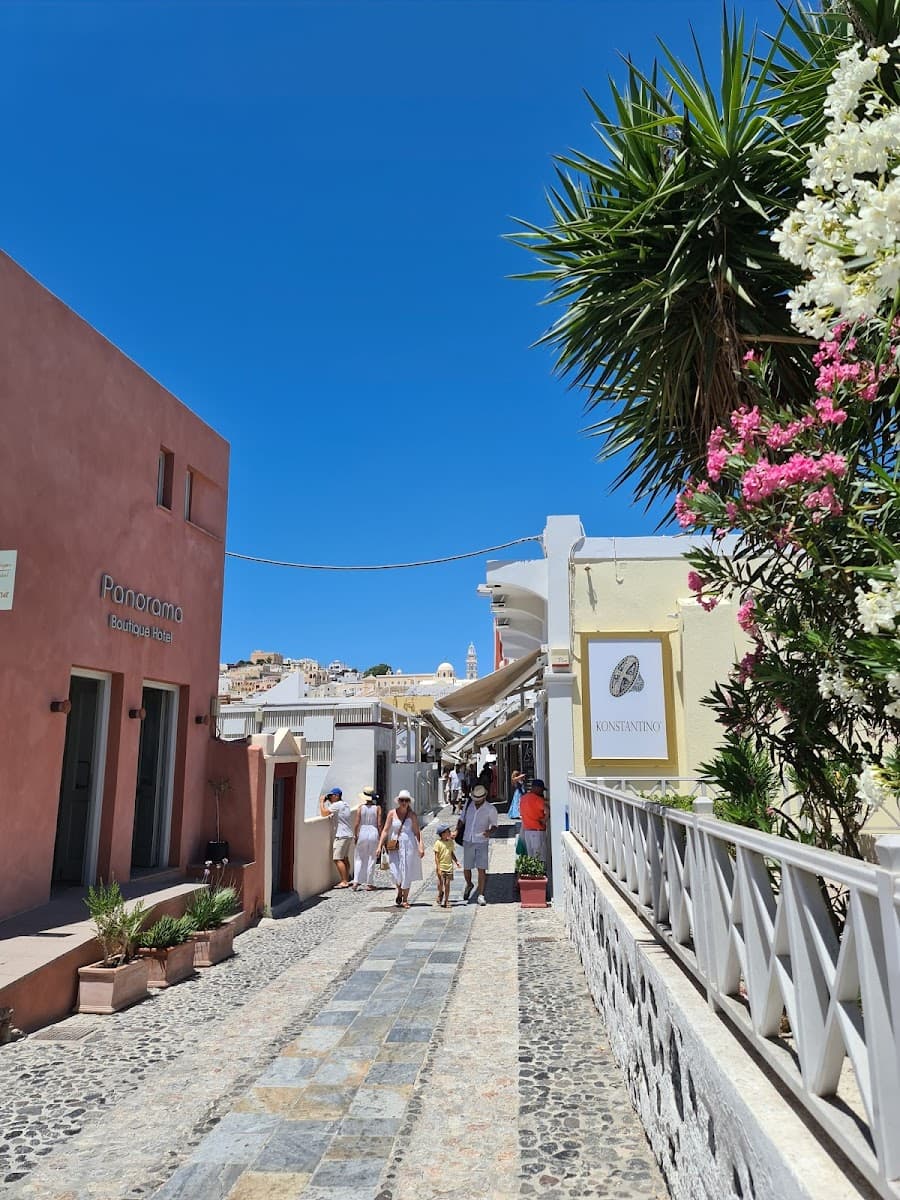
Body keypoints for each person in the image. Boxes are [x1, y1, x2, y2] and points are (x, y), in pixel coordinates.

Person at [376, 789, 424, 908]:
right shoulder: (392, 813)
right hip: (395, 844)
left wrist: (421, 846)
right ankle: (399, 890)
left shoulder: (412, 815)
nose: (404, 802)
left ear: (409, 802)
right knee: (395, 870)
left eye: (406, 800)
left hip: (409, 844)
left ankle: (405, 899)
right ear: (398, 801)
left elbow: (417, 832)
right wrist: (379, 846)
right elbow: (385, 830)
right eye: (401, 800)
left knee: (406, 870)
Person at [461, 782, 498, 906]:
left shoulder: (490, 809)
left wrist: (490, 832)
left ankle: (481, 894)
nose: (475, 801)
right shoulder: (468, 805)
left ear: (483, 797)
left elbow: (495, 826)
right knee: (467, 868)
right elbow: (462, 820)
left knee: (481, 869)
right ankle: (469, 884)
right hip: (468, 839)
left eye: (478, 799)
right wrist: (456, 830)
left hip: (481, 841)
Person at [319, 787, 355, 888]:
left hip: (341, 835)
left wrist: (321, 802)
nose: (329, 799)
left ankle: (344, 881)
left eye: (330, 796)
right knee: (344, 858)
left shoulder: (337, 805)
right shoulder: (345, 804)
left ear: (336, 796)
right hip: (348, 834)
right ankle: (347, 879)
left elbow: (323, 813)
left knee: (337, 859)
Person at [352, 787, 382, 892]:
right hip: (373, 832)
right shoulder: (377, 808)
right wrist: (381, 836)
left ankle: (356, 881)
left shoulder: (360, 808)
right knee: (372, 858)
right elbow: (378, 824)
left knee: (359, 858)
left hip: (363, 832)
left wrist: (355, 835)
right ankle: (369, 883)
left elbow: (356, 823)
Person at [519, 778, 549, 866]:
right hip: (537, 831)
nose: (542, 792)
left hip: (527, 831)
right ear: (537, 788)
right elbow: (547, 810)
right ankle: (540, 876)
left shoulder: (523, 798)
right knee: (539, 856)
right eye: (541, 790)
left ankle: (533, 877)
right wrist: (544, 819)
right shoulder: (537, 799)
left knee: (531, 856)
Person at [433, 822, 460, 908]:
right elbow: (436, 857)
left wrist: (456, 861)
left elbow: (451, 853)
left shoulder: (451, 842)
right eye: (448, 831)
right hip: (441, 866)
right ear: (443, 833)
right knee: (440, 883)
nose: (450, 832)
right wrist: (438, 867)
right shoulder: (438, 843)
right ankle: (440, 893)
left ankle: (446, 900)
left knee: (447, 884)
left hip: (449, 867)